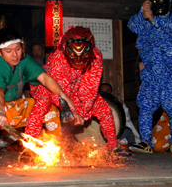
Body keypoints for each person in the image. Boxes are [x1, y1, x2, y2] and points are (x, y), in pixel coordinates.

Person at [0, 28, 76, 167]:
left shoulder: (24, 61)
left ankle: (54, 149)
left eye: (18, 49)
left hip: (12, 109)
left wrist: (64, 97)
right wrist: (0, 112)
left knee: (47, 107)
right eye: (9, 51)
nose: (15, 55)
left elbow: (43, 77)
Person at [28, 26, 123, 155]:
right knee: (41, 105)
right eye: (74, 55)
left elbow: (90, 88)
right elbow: (59, 92)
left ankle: (113, 146)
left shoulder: (96, 57)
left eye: (83, 56)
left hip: (77, 88)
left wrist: (82, 113)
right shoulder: (58, 57)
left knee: (105, 110)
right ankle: (29, 147)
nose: (78, 60)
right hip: (49, 86)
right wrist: (73, 112)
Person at [127, 0, 172, 154]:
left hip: (170, 72)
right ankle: (145, 141)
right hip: (151, 72)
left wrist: (153, 18)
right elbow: (132, 25)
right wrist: (142, 11)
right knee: (145, 107)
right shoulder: (146, 20)